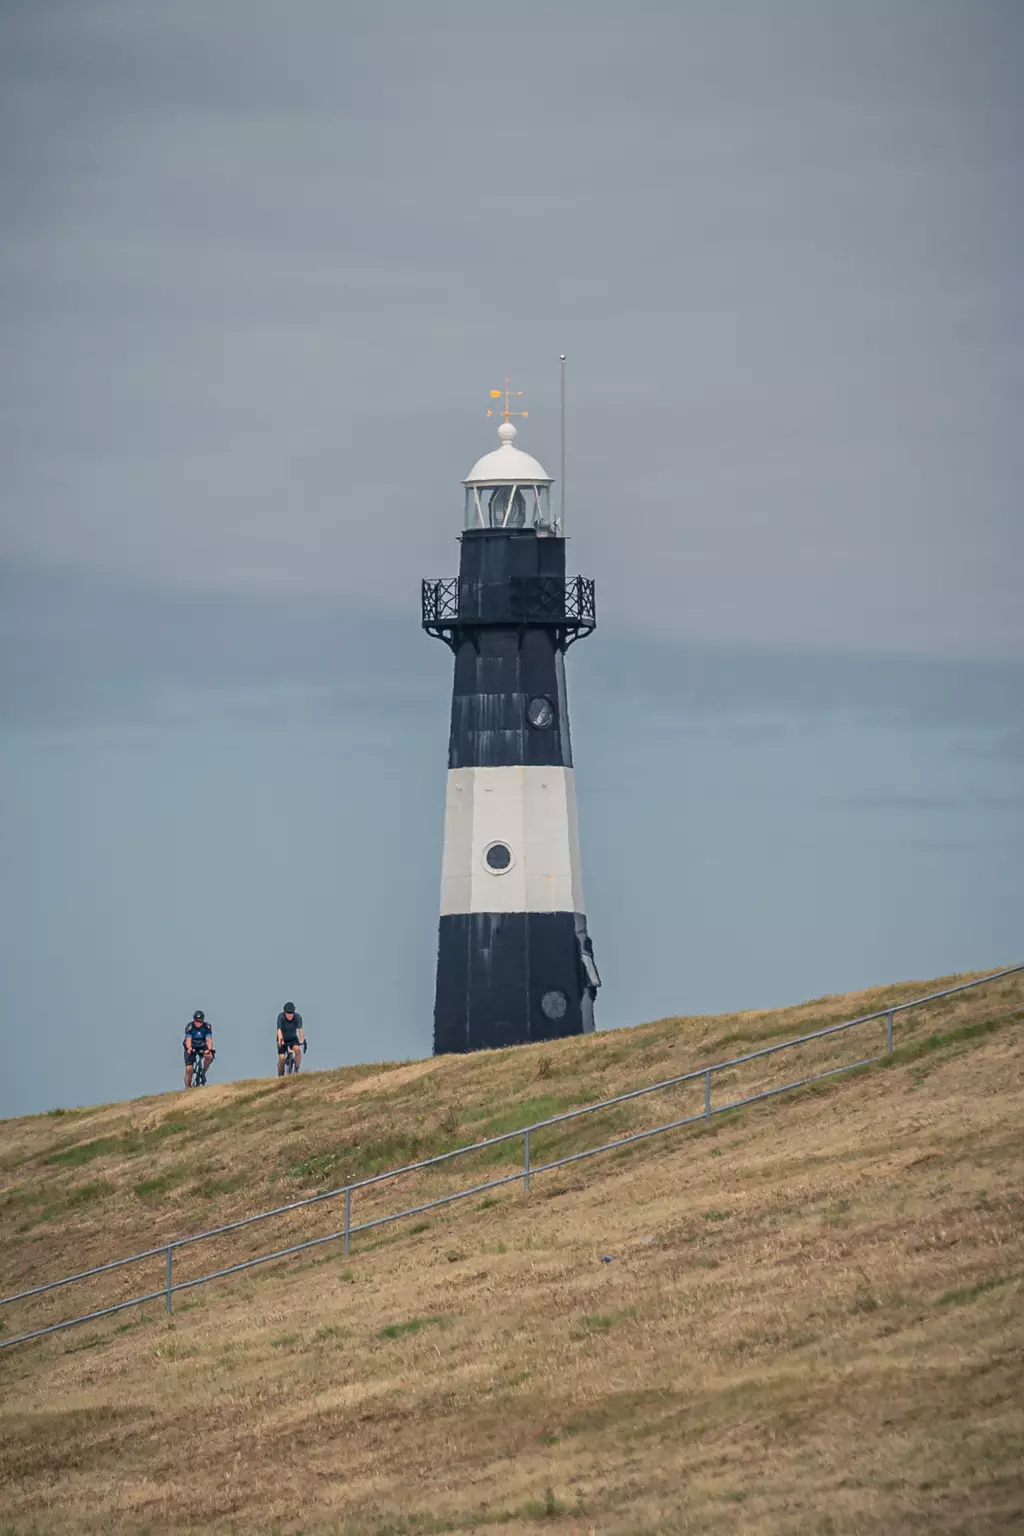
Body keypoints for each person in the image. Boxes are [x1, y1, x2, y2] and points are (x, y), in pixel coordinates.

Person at [183, 1009, 214, 1087]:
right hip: (191, 1046)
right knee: (189, 1069)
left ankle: (203, 1071)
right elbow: (188, 1040)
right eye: (196, 1021)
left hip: (202, 1045)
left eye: (200, 1021)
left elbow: (208, 1040)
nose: (198, 1023)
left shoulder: (207, 1027)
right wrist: (189, 1048)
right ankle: (188, 1087)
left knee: (209, 1056)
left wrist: (209, 1049)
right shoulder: (190, 1027)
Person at [276, 1002, 306, 1075]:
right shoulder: (281, 1017)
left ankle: (296, 1069)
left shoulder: (297, 1017)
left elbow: (300, 1029)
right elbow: (279, 1030)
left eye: (291, 1013)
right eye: (288, 1013)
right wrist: (280, 1040)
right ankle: (281, 1074)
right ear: (284, 1012)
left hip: (292, 1038)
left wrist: (302, 1040)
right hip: (282, 1038)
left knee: (297, 1050)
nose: (290, 1015)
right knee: (282, 1058)